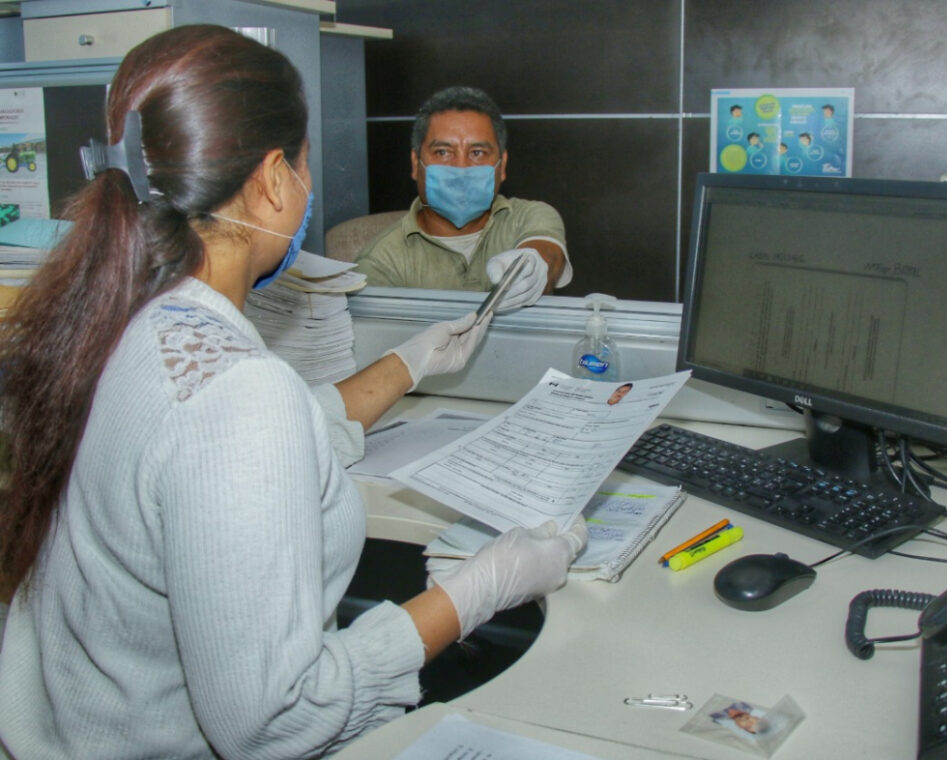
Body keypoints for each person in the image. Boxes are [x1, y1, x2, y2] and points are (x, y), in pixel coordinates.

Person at [0, 25, 586, 759]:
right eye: (305, 166)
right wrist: (476, 592)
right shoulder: (238, 397)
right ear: (275, 180)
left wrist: (407, 364)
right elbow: (275, 718)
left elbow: (227, 449)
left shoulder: (116, 321)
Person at [354, 86, 572, 311]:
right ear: (415, 164)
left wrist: (532, 267)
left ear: (502, 165)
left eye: (477, 153)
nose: (461, 168)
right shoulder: (380, 260)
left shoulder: (528, 216)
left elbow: (548, 255)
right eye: (443, 152)